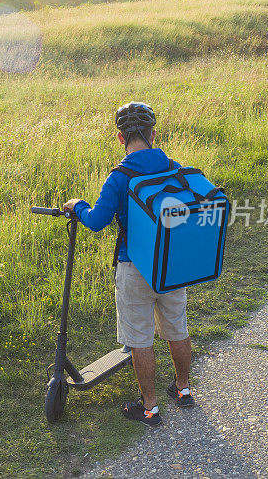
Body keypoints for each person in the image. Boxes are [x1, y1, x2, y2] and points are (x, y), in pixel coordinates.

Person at [62, 101, 195, 427]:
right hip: (170, 265)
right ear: (153, 133)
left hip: (134, 268)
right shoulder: (174, 168)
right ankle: (183, 389)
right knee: (177, 328)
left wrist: (76, 205)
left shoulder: (119, 177)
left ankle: (149, 408)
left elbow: (96, 221)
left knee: (140, 340)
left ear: (121, 138)